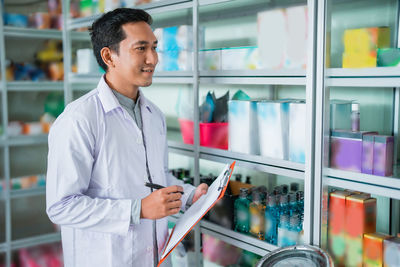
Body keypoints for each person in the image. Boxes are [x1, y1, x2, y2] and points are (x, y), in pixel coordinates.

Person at [46, 8, 208, 267]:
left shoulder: (154, 115)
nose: (153, 58)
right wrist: (138, 210)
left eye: (154, 47)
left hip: (155, 256)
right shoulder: (79, 119)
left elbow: (157, 178)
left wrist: (189, 195)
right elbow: (61, 206)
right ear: (109, 56)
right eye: (140, 48)